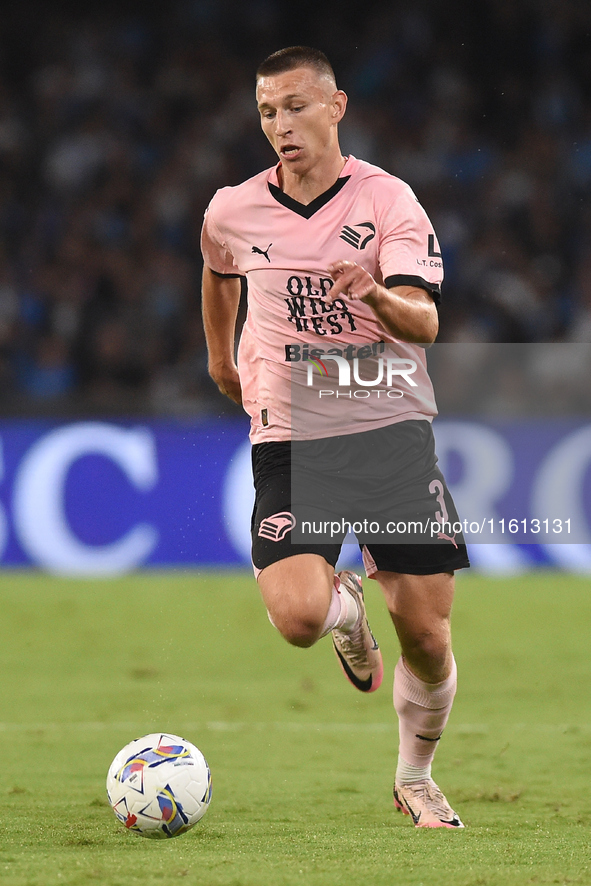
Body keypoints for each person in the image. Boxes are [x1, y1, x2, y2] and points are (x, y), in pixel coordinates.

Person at [201, 45, 470, 829]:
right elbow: (218, 269)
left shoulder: (389, 203)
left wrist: (378, 297)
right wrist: (222, 359)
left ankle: (414, 778)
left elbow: (425, 320)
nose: (279, 126)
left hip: (388, 432)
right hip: (293, 436)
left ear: (336, 106)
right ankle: (344, 613)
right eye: (265, 112)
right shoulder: (232, 208)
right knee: (296, 619)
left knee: (424, 636)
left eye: (293, 107)